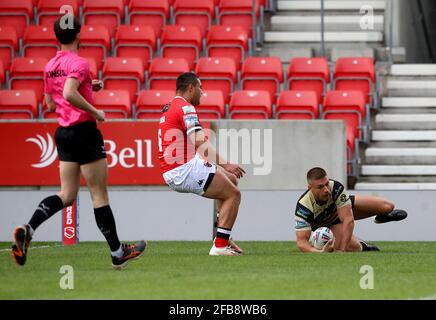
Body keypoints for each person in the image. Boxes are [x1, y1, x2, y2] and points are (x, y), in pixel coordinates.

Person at [11, 15, 146, 269]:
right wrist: (96, 111)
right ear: (78, 35)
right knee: (99, 195)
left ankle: (29, 228)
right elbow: (68, 92)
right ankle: (118, 253)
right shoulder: (80, 63)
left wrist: (87, 87)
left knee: (67, 194)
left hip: (63, 133)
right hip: (84, 131)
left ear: (57, 37)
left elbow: (52, 104)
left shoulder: (50, 66)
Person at [159, 72, 245, 256]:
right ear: (191, 87)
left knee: (231, 182)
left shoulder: (169, 107)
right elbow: (199, 141)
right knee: (234, 195)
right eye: (200, 88)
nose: (202, 92)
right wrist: (225, 163)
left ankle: (223, 235)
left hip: (177, 166)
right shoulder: (186, 107)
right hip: (182, 168)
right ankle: (220, 245)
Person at [294, 167, 407, 253]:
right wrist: (319, 252)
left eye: (326, 184)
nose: (326, 190)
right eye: (320, 187)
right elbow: (301, 242)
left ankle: (381, 216)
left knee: (387, 206)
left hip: (341, 210)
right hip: (329, 224)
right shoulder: (303, 207)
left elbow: (348, 219)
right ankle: (364, 245)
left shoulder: (335, 187)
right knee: (354, 247)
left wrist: (341, 251)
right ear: (310, 188)